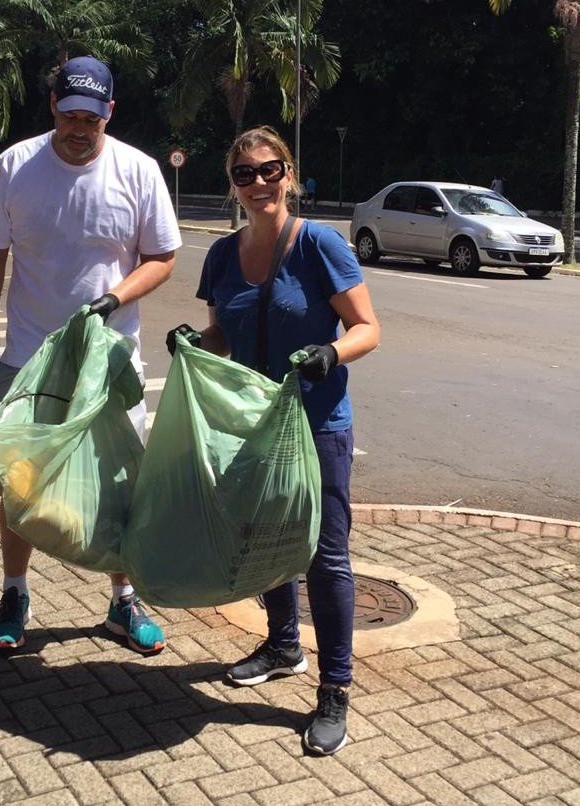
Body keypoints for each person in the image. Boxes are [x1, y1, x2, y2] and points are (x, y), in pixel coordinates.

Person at [165, 126, 380, 756]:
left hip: (318, 426)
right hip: (254, 425)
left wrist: (331, 352)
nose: (258, 183)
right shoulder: (221, 256)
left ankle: (335, 688)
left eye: (269, 170)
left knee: (325, 557)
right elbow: (223, 336)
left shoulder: (319, 244)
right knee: (265, 541)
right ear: (231, 185)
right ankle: (284, 644)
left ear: (289, 173)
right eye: (244, 174)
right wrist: (192, 342)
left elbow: (367, 327)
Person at [0, 55, 182, 655]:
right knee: (18, 482)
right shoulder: (16, 165)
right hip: (28, 357)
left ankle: (123, 601)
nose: (79, 129)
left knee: (121, 483)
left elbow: (163, 257)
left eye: (92, 118)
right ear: (52, 108)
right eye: (69, 116)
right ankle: (14, 593)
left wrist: (115, 298)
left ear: (109, 112)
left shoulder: (138, 171)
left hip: (109, 361)